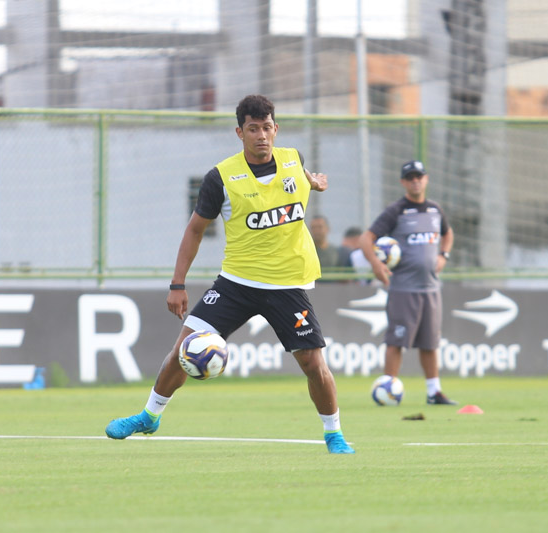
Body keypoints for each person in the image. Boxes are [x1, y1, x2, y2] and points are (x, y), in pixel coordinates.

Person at [105, 94, 354, 454]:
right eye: (253, 129)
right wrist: (177, 284)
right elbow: (194, 230)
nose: (262, 136)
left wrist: (313, 183)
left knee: (313, 363)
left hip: (287, 284)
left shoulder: (293, 159)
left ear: (276, 128)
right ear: (240, 132)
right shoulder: (220, 178)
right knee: (182, 349)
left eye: (267, 128)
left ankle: (334, 435)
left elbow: (299, 176)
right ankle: (149, 416)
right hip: (236, 283)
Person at [359, 160, 457, 405]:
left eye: (419, 176)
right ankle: (388, 388)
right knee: (396, 341)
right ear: (403, 182)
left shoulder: (435, 210)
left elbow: (448, 233)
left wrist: (444, 255)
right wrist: (376, 264)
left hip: (431, 288)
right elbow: (367, 238)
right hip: (404, 289)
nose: (415, 181)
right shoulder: (397, 211)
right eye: (410, 177)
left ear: (426, 179)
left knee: (430, 343)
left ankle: (434, 392)